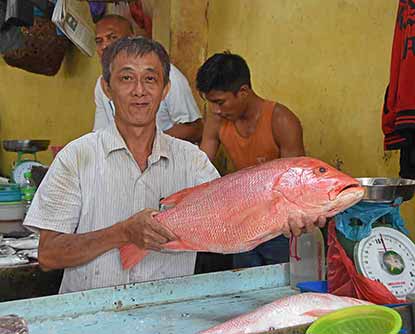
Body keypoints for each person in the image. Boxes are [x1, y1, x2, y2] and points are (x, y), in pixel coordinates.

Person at [24, 38, 324, 293]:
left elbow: (231, 224)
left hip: (169, 313)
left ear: (166, 89)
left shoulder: (193, 162)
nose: (139, 90)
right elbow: (49, 255)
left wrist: (281, 217)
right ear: (107, 88)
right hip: (90, 316)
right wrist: (123, 233)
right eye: (126, 78)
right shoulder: (76, 157)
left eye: (151, 79)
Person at [197, 52, 306, 269]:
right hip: (243, 220)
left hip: (279, 224)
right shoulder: (217, 120)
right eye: (211, 103)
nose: (216, 110)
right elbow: (200, 168)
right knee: (244, 281)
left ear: (243, 92)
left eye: (220, 102)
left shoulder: (282, 120)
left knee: (280, 283)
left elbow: (292, 188)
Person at [93, 15, 203, 143]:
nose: (105, 46)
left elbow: (195, 129)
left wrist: (149, 143)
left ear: (131, 39)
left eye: (113, 37)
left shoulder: (166, 74)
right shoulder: (103, 83)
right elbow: (100, 133)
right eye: (99, 41)